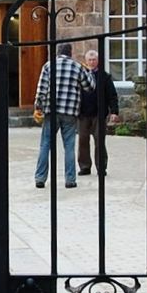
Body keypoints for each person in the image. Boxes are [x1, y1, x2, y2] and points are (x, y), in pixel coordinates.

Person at [33, 43, 92, 189]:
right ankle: (70, 180)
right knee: (69, 146)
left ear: (58, 52)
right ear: (70, 52)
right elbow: (90, 87)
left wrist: (38, 107)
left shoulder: (48, 66)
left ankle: (40, 178)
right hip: (70, 112)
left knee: (45, 145)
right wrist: (88, 71)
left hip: (51, 111)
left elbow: (41, 89)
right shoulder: (77, 67)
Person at [77, 48, 120, 178]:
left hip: (99, 114)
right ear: (86, 61)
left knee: (99, 142)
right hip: (83, 113)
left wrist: (114, 111)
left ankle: (101, 167)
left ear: (98, 61)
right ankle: (84, 167)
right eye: (89, 60)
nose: (92, 62)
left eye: (94, 59)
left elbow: (112, 95)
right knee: (82, 141)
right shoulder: (81, 75)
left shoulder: (104, 76)